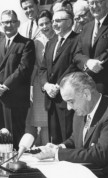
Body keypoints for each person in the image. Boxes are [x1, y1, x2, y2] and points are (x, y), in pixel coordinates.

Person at [33, 72, 108, 178]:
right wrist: (60, 146)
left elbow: (99, 155)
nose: (69, 108)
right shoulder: (81, 111)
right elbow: (76, 138)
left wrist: (57, 153)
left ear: (86, 94)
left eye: (71, 101)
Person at [0, 10, 35, 150]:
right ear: (0, 24)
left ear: (18, 23)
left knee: (14, 138)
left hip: (15, 100)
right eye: (5, 22)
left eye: (12, 21)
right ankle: (0, 166)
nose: (9, 25)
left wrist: (4, 86)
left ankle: (13, 167)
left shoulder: (26, 43)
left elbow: (23, 69)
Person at [39, 9, 80, 144]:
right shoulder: (51, 42)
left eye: (58, 21)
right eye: (53, 21)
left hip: (66, 98)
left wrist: (57, 85)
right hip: (51, 99)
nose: (54, 24)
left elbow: (74, 66)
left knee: (67, 138)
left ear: (69, 22)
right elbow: (43, 68)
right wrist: (46, 85)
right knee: (55, 139)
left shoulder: (77, 40)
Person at [25, 10, 54, 146]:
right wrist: (31, 86)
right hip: (39, 84)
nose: (44, 27)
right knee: (43, 122)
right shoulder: (36, 43)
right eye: (41, 24)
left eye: (47, 23)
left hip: (56, 82)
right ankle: (43, 148)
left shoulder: (59, 38)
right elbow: (35, 66)